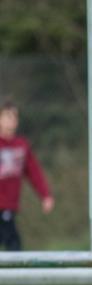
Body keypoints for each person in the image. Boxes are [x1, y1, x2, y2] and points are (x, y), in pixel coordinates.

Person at [0, 100, 54, 252]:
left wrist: (45, 195)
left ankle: (14, 273)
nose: (11, 121)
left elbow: (34, 172)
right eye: (7, 117)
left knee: (12, 242)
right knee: (13, 243)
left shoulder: (21, 146)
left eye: (14, 117)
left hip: (9, 206)